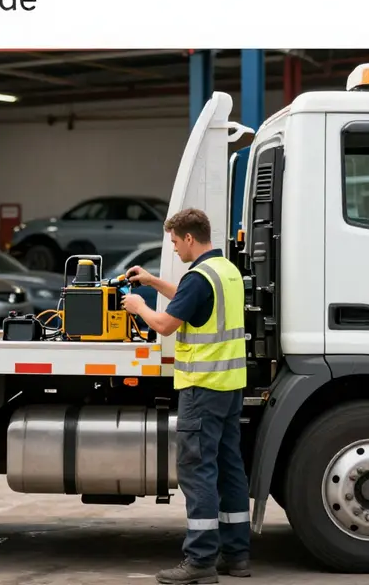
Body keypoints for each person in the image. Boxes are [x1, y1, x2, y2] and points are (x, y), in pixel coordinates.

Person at [121, 207, 250, 585]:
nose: (175, 249)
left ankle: (200, 561)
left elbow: (165, 324)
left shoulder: (199, 277)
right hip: (229, 387)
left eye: (176, 242)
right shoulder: (225, 271)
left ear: (189, 238)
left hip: (201, 387)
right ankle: (237, 556)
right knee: (229, 470)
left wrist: (139, 305)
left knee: (198, 473)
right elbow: (190, 299)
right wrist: (153, 281)